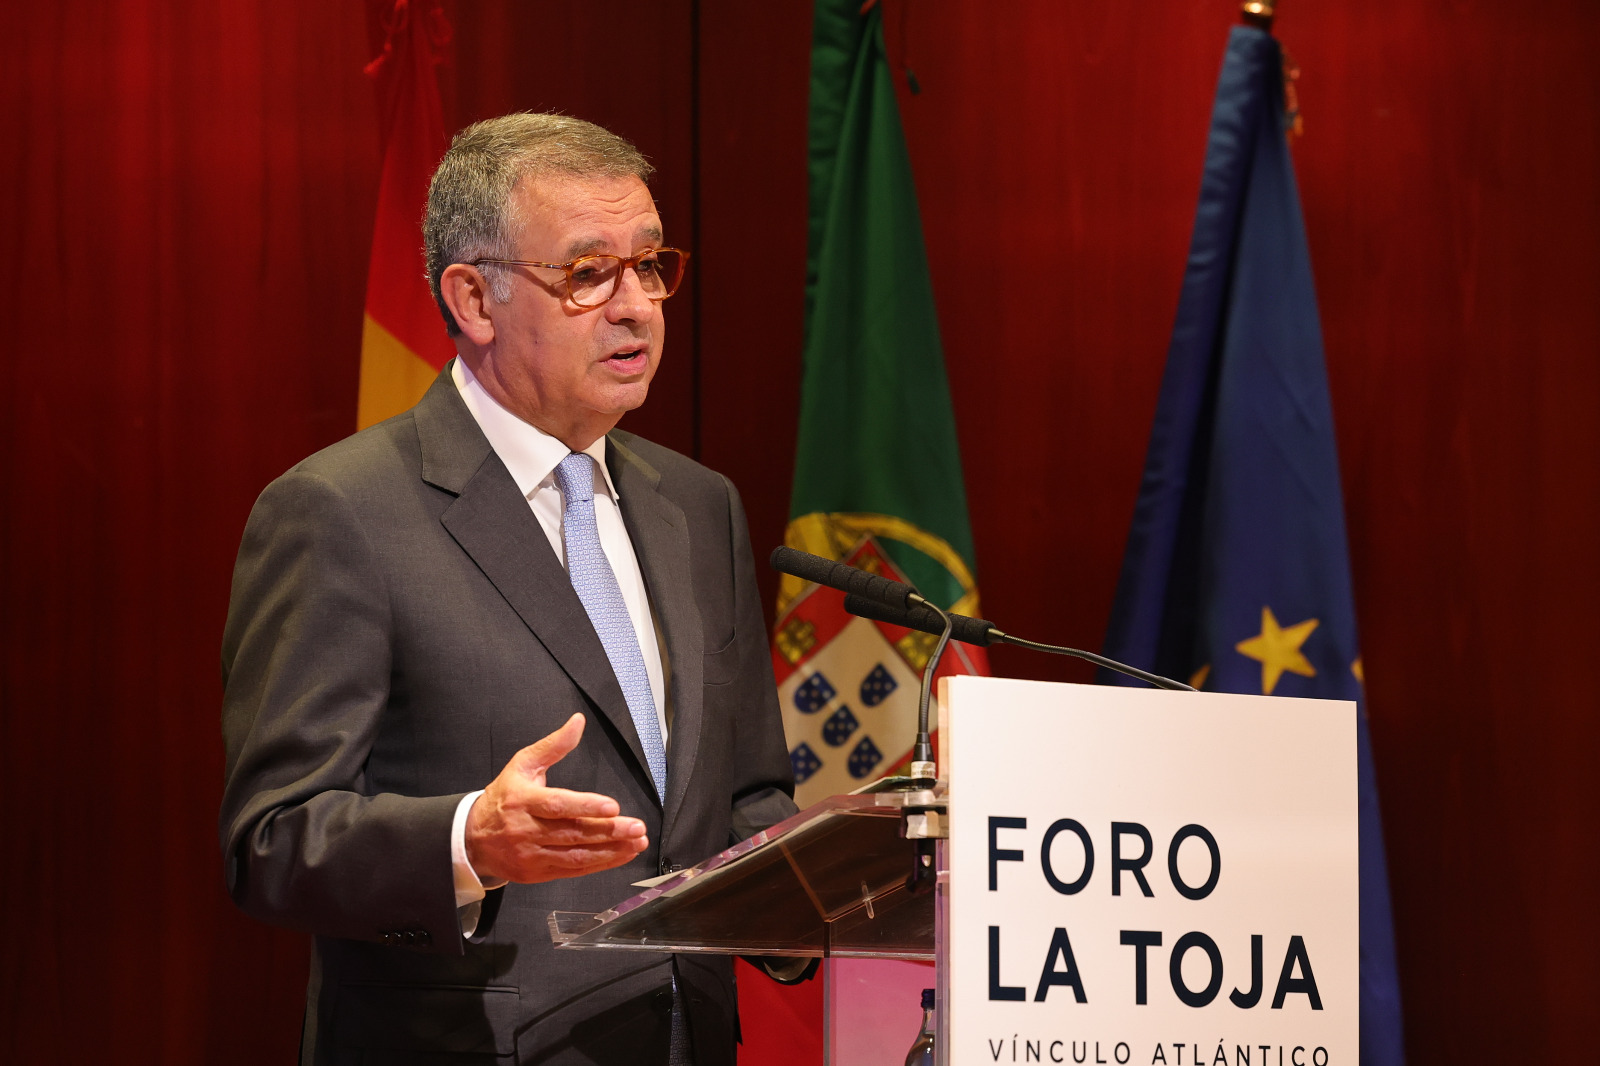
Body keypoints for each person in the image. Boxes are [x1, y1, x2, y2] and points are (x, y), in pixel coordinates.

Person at [219, 112, 798, 1066]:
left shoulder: (700, 506)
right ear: (473, 300)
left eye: (650, 265)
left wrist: (862, 872)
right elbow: (274, 840)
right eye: (587, 273)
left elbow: (746, 802)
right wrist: (466, 841)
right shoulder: (340, 512)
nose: (637, 305)